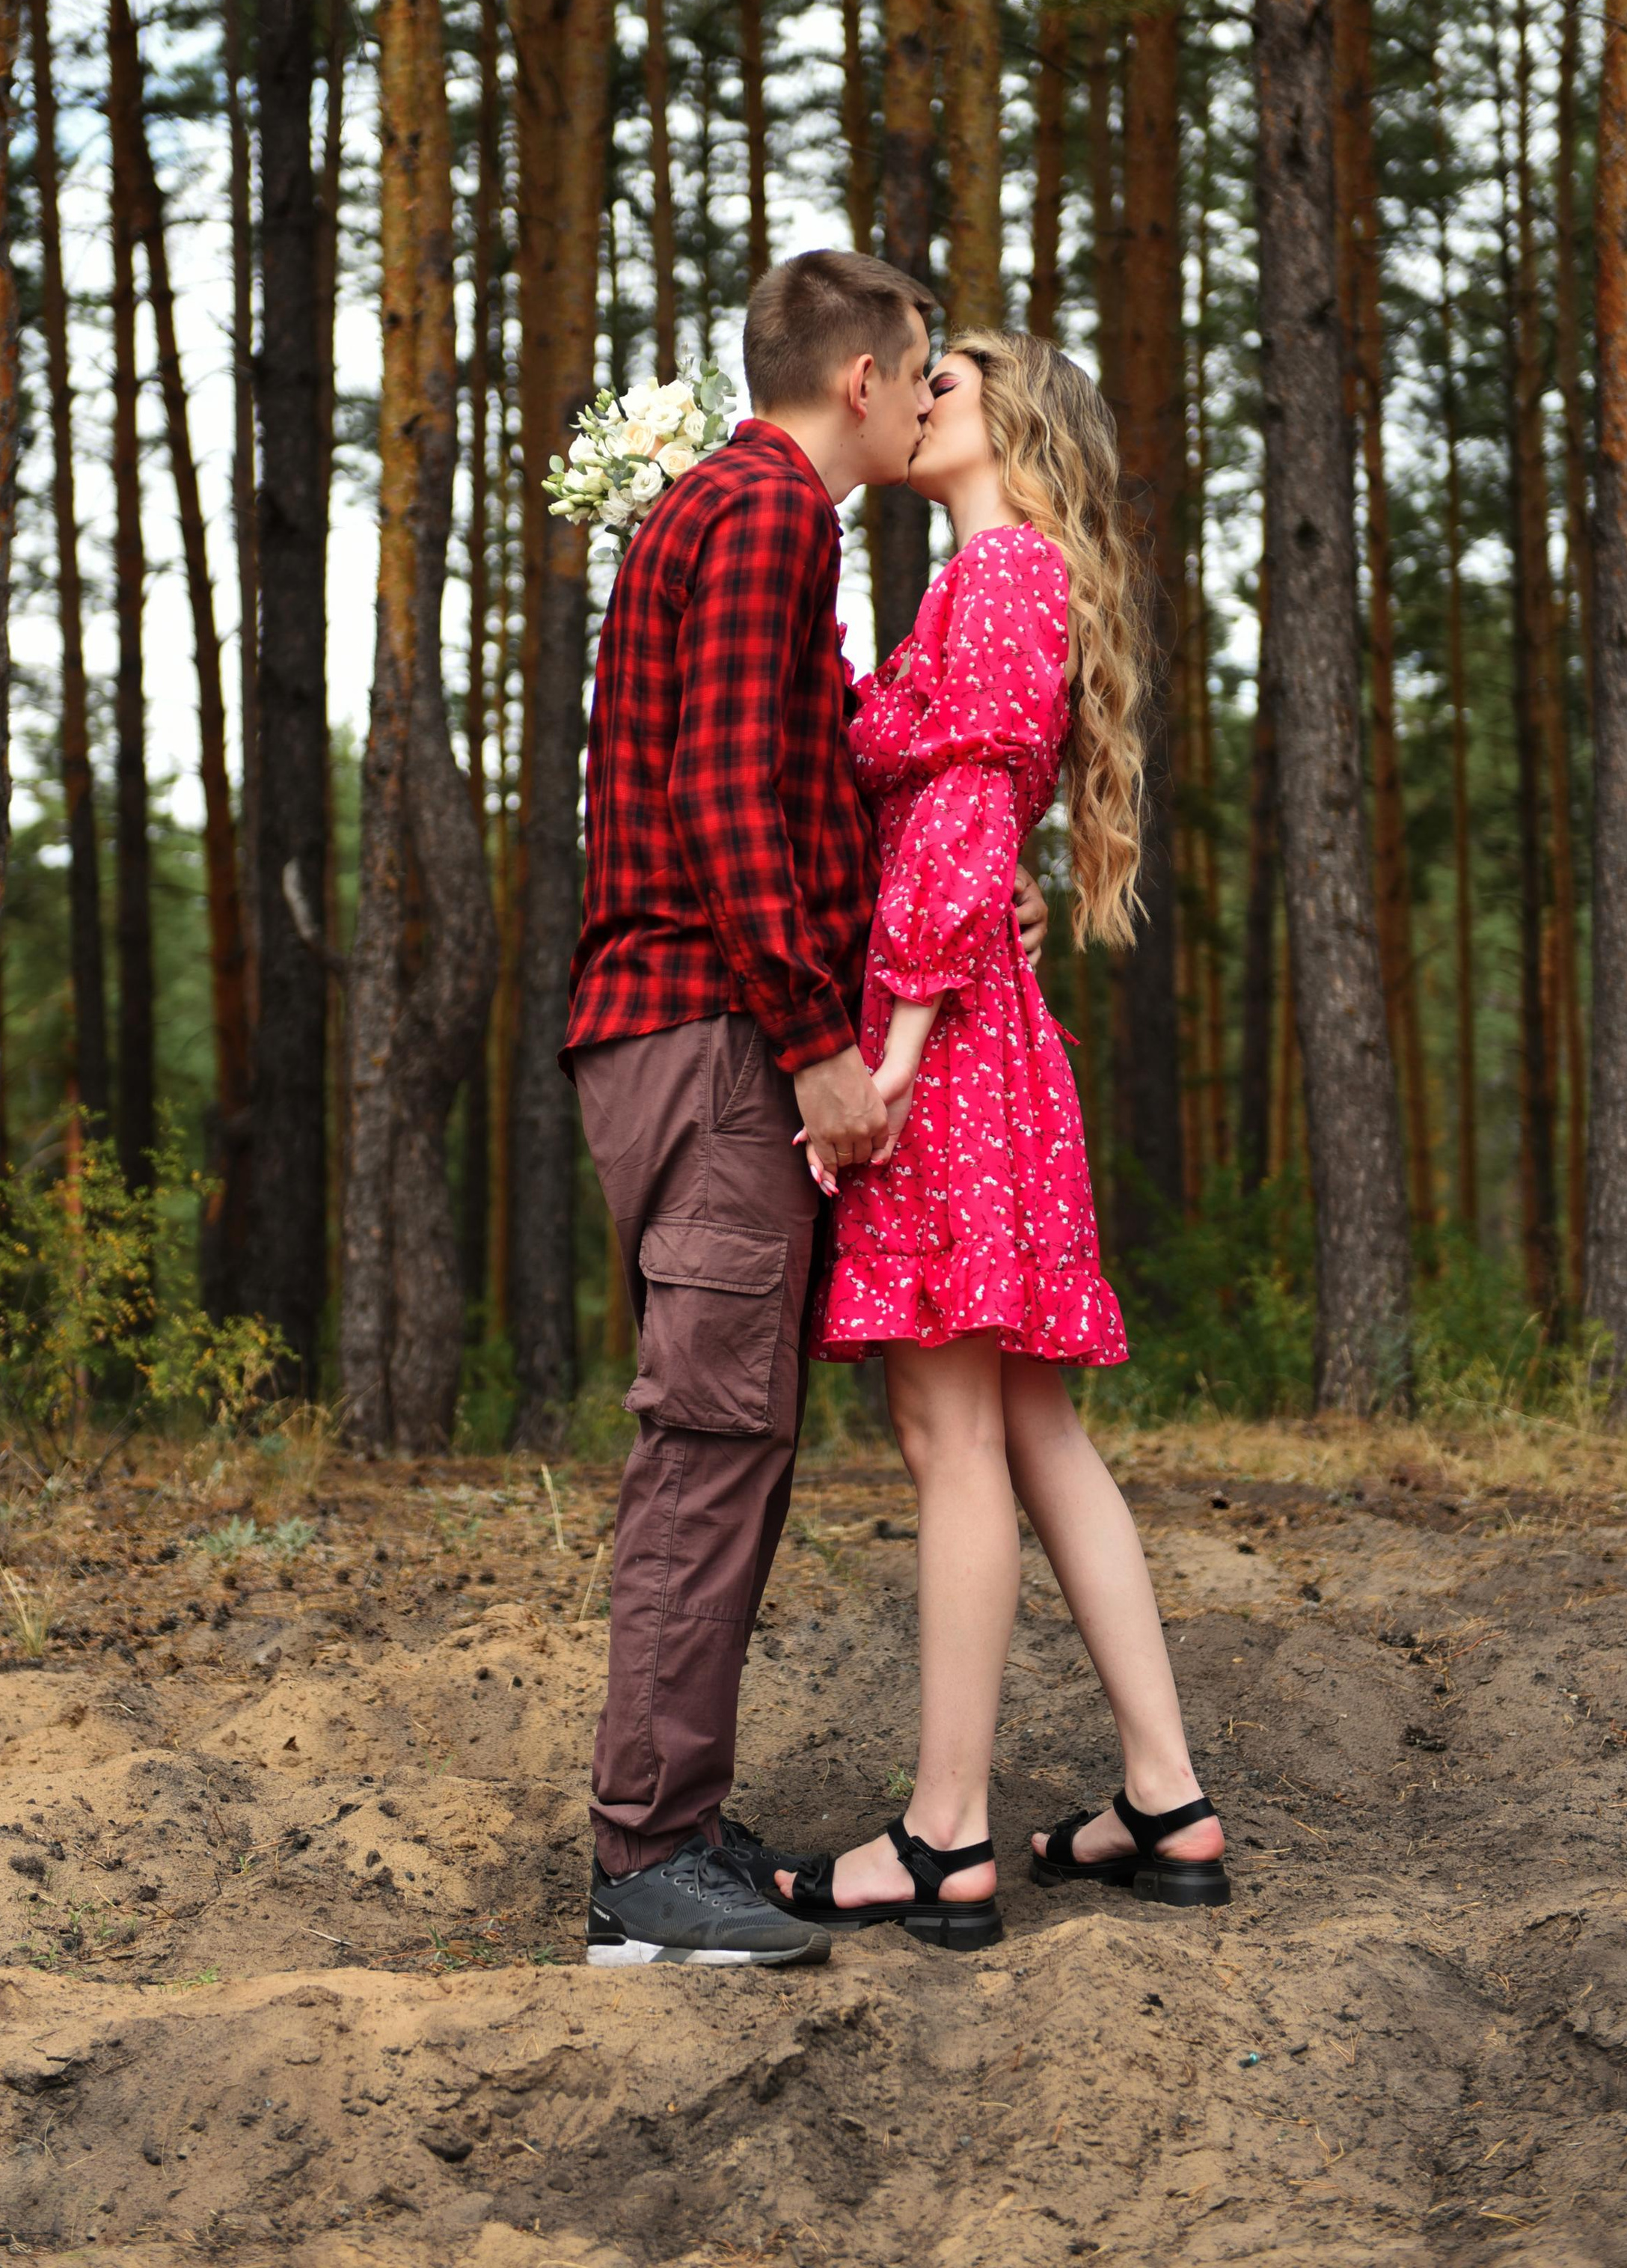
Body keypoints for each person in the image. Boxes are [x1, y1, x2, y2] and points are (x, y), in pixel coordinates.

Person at [566, 253, 1049, 1969]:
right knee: (708, 1442)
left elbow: (804, 769)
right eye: (921, 373)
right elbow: (721, 799)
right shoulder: (770, 515)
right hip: (707, 1036)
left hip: (692, 1032)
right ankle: (643, 1865)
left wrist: (971, 893)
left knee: (735, 1434)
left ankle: (679, 1823)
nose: (928, 400)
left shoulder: (728, 511)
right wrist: (812, 1045)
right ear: (862, 382)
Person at [775, 328, 1229, 1950]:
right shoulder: (985, 584)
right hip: (969, 1023)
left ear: (1011, 419)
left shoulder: (1001, 573)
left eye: (946, 377)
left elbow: (966, 822)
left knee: (949, 1433)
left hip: (944, 1046)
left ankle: (944, 1833)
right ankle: (1164, 1798)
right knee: (1033, 1430)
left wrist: (889, 1062)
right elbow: (951, 811)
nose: (914, 392)